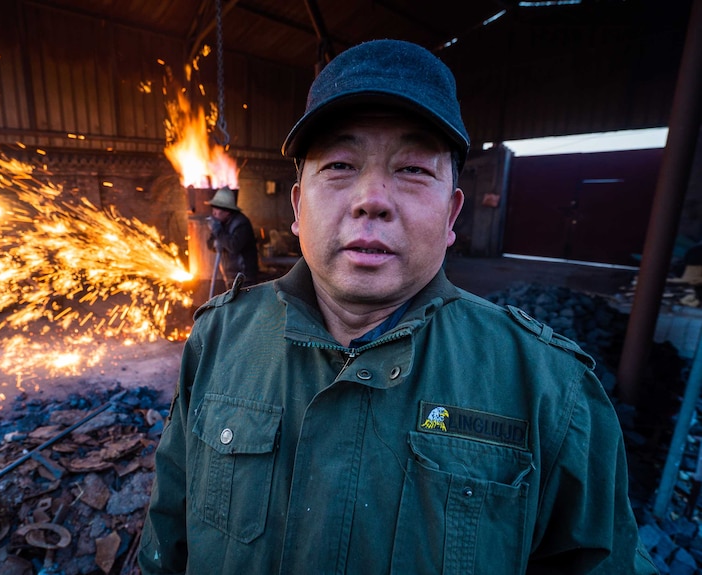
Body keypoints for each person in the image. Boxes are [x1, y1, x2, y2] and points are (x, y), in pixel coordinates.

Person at [139, 39, 657, 574]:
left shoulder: (549, 389)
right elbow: (168, 536)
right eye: (340, 164)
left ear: (453, 214)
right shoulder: (219, 340)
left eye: (411, 169)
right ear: (297, 206)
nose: (373, 198)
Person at [205, 186, 259, 287]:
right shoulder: (222, 223)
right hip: (230, 277)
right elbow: (210, 244)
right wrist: (216, 238)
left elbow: (234, 246)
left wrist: (218, 232)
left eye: (217, 208)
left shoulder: (241, 224)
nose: (213, 212)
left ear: (227, 211)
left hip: (244, 278)